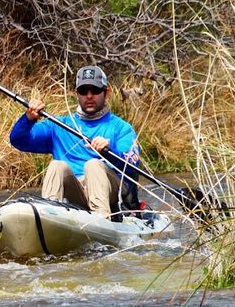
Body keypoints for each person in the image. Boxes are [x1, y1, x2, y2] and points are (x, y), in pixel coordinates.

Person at [9, 65, 141, 220]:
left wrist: (110, 150)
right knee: (57, 165)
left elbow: (132, 163)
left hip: (110, 192)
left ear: (106, 93)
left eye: (95, 90)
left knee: (93, 165)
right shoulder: (58, 125)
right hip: (76, 192)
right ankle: (50, 215)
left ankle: (102, 219)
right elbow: (18, 140)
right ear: (76, 93)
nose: (89, 96)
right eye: (84, 91)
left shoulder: (121, 128)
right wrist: (28, 118)